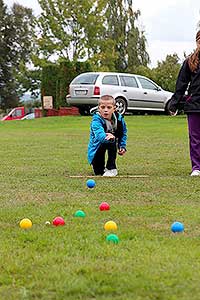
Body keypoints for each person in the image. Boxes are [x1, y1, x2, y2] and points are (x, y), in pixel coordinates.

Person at [169, 30, 200, 176]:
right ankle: (196, 167)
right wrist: (174, 103)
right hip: (194, 105)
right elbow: (181, 84)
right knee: (195, 138)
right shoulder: (190, 62)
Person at [88, 95, 127, 176]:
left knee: (112, 141)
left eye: (109, 107)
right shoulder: (96, 121)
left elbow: (122, 133)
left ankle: (111, 168)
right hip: (97, 147)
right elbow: (100, 136)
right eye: (103, 107)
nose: (105, 110)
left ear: (114, 108)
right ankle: (101, 168)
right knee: (98, 172)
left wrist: (122, 146)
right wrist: (110, 137)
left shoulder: (119, 119)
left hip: (111, 143)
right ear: (99, 108)